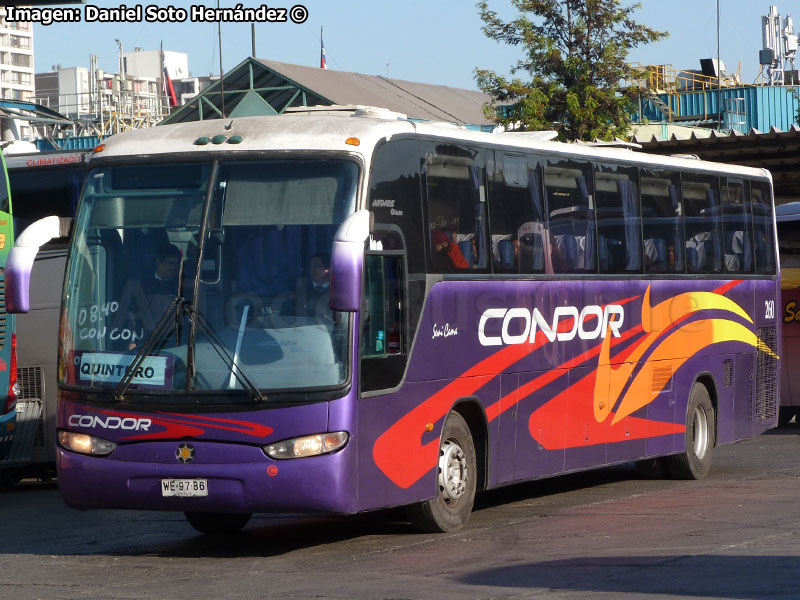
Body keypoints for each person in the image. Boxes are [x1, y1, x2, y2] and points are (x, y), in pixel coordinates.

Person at [293, 252, 332, 320]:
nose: (312, 269)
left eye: (316, 265)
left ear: (327, 269)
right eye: (311, 266)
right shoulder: (301, 289)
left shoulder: (336, 292)